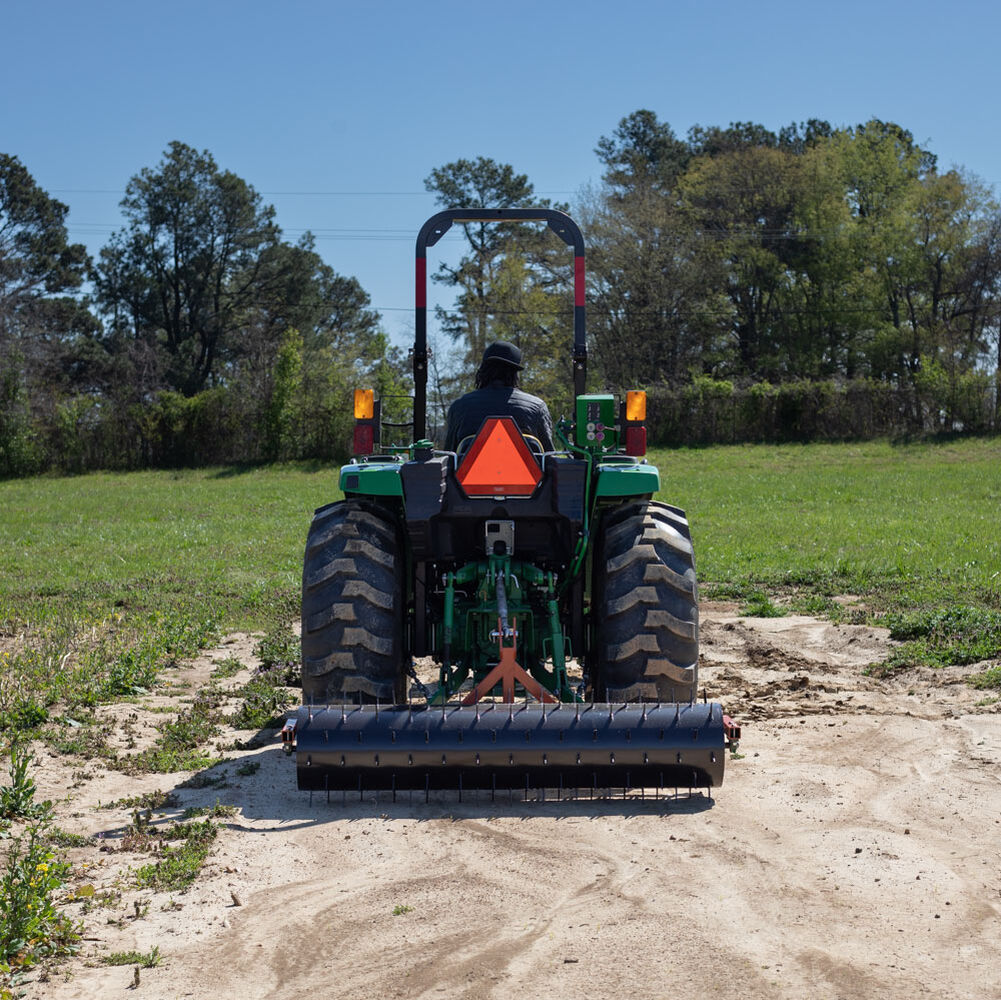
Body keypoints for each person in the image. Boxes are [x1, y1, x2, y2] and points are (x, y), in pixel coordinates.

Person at [444, 341, 555, 453]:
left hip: (472, 470)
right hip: (523, 470)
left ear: (483, 370)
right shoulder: (537, 407)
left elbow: (449, 457)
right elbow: (549, 457)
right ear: (515, 374)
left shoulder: (459, 407)